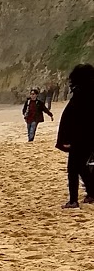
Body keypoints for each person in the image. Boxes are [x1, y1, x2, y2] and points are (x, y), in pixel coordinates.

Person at [56, 64, 94, 208]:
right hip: (90, 138)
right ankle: (91, 192)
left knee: (73, 168)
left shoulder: (79, 94)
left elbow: (70, 119)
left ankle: (73, 200)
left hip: (79, 138)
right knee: (82, 167)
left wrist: (64, 139)